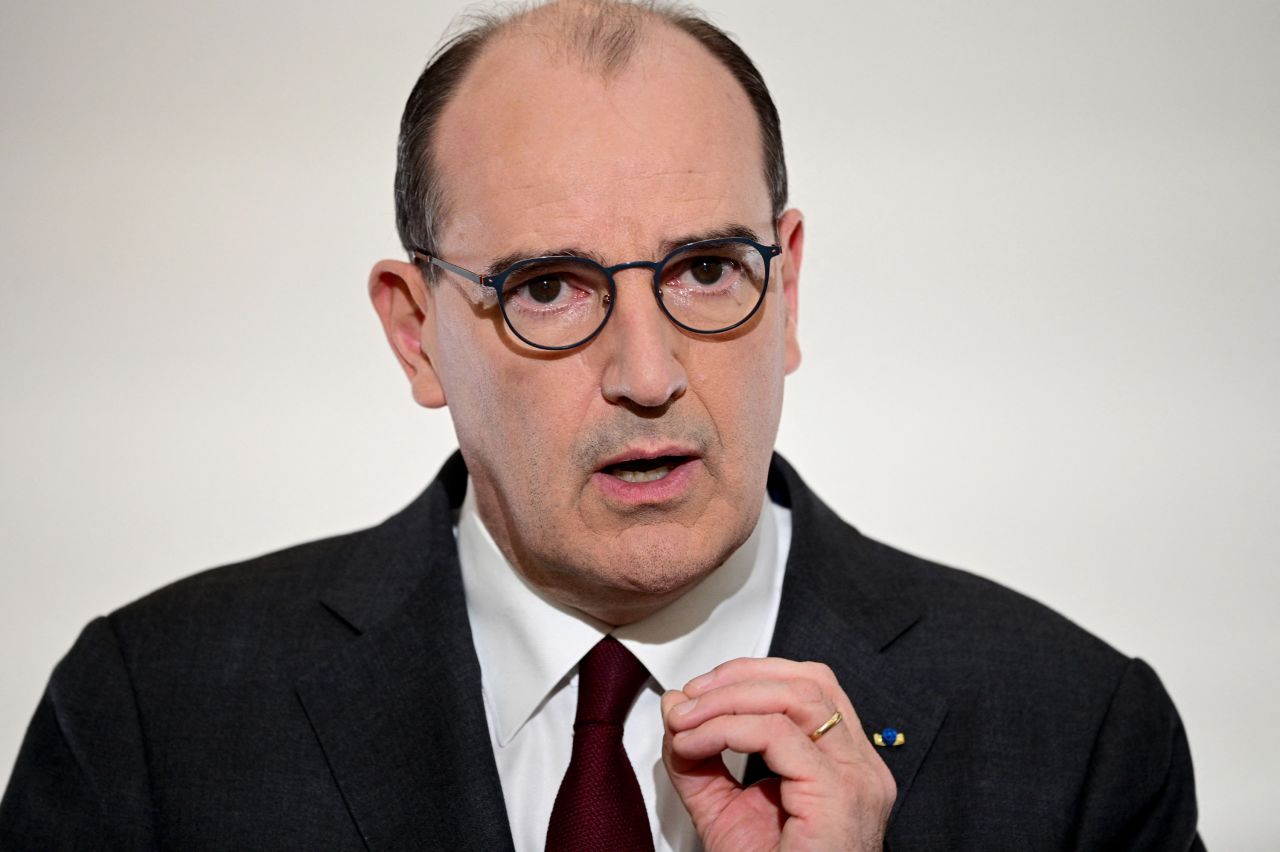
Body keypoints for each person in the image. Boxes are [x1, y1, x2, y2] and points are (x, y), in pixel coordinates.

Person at [0, 1, 1204, 849]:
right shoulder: (152, 716)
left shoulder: (1079, 735)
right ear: (415, 332)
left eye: (701, 270)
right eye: (547, 289)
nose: (646, 372)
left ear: (785, 287)